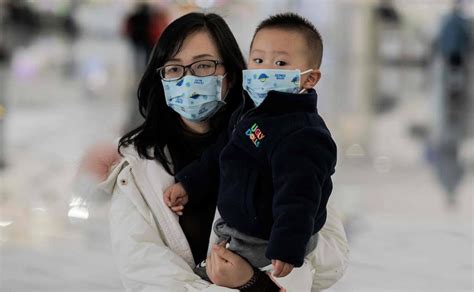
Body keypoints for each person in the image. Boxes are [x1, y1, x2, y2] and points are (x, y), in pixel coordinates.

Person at [96, 12, 348, 291]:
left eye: (203, 66)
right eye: (174, 68)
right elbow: (149, 278)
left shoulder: (288, 138)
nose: (188, 80)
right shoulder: (136, 170)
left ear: (230, 74)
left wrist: (253, 281)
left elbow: (328, 260)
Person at [165, 13, 336, 279]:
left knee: (213, 280)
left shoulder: (303, 134)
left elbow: (300, 197)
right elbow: (223, 153)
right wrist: (190, 183)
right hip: (241, 227)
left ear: (310, 78)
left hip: (267, 241)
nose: (265, 70)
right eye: (258, 60)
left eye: (280, 63)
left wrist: (287, 248)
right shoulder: (252, 112)